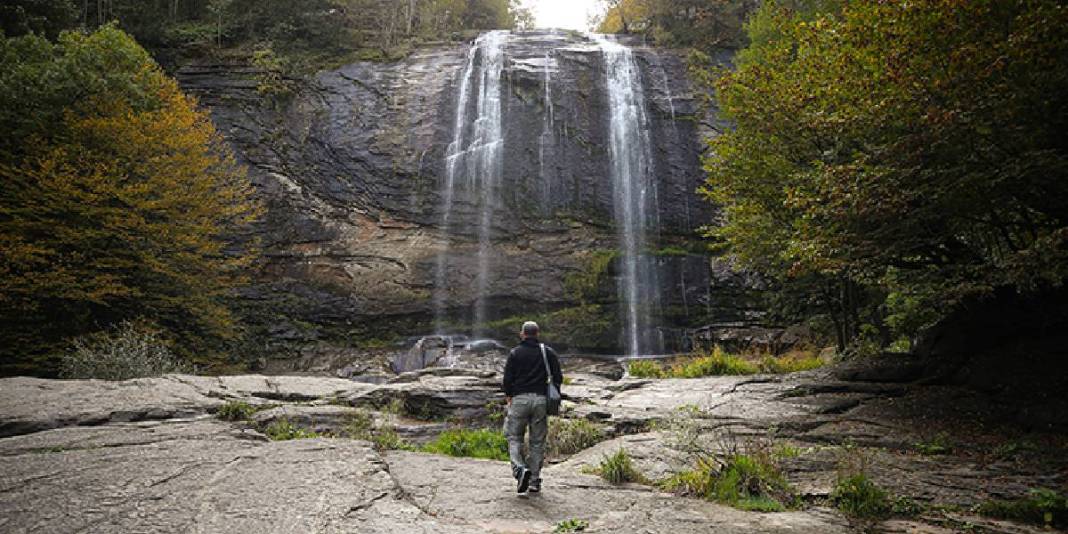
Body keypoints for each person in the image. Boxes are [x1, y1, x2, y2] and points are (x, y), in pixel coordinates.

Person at [502, 320, 562, 496]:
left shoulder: (515, 353)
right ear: (538, 333)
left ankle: (520, 469)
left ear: (522, 334)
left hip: (519, 400)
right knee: (537, 442)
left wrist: (509, 396)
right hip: (541, 401)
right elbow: (558, 377)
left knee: (514, 438)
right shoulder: (547, 352)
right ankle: (534, 481)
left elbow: (507, 379)